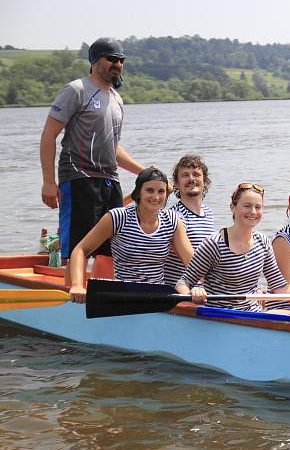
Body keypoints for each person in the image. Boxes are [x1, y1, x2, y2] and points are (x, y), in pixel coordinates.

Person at [40, 37, 144, 281]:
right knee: (79, 247)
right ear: (95, 61)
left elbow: (113, 146)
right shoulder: (76, 90)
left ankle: (103, 296)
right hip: (79, 178)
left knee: (110, 248)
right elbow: (48, 136)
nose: (117, 64)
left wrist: (144, 172)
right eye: (112, 59)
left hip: (110, 181)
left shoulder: (117, 99)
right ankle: (72, 299)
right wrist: (48, 181)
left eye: (121, 60)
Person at [68, 167, 192, 303]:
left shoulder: (172, 221)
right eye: (149, 190)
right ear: (139, 192)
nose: (156, 197)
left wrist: (199, 287)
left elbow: (193, 262)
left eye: (161, 191)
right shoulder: (118, 217)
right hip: (124, 296)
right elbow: (80, 250)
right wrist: (77, 285)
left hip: (157, 296)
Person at [176, 182, 290, 312]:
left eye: (258, 207)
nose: (253, 212)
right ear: (233, 207)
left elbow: (279, 286)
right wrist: (193, 294)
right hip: (220, 316)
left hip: (254, 314)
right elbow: (183, 283)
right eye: (247, 206)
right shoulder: (214, 244)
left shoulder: (263, 242)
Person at [163, 155, 216, 287]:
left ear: (205, 181)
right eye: (185, 175)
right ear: (176, 183)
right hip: (183, 290)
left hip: (204, 286)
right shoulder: (175, 216)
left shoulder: (208, 212)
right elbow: (193, 265)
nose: (191, 179)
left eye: (196, 174)